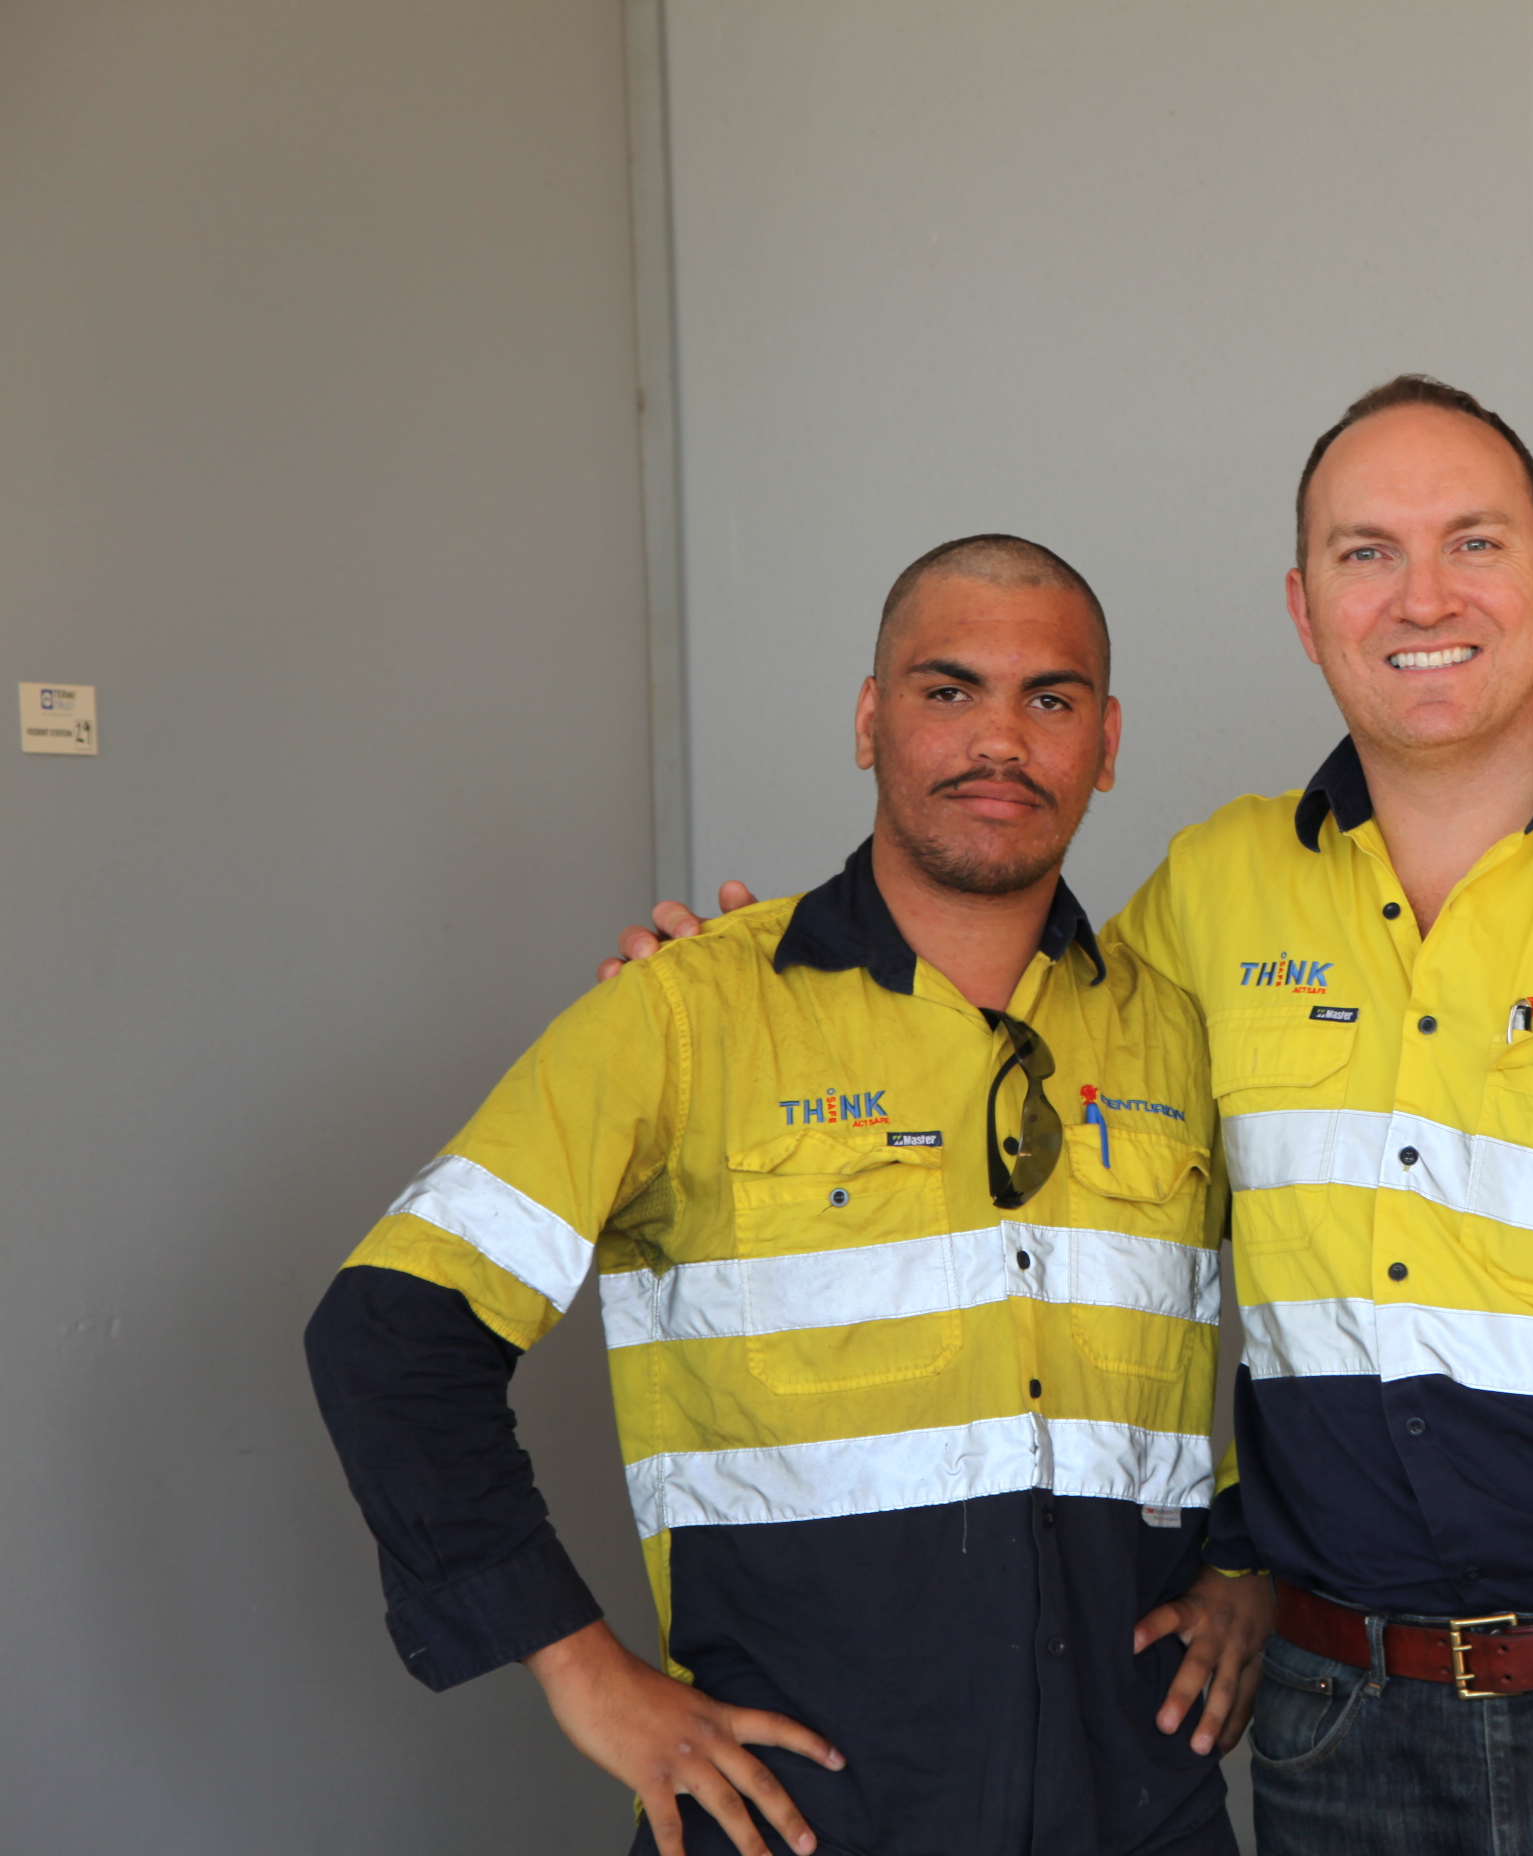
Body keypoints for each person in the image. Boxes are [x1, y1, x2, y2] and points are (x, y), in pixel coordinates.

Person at [626, 382, 1533, 1856]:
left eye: (1474, 542)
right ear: (1303, 604)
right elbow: (1006, 1117)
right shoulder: (1215, 893)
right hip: (1343, 1736)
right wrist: (760, 1002)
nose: (1423, 596)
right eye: (1364, 552)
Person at [306, 535, 1273, 1856]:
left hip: (1137, 1809)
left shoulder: (1181, 1035)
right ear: (870, 721)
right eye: (948, 690)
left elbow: (1327, 1307)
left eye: (1050, 699)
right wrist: (585, 1675)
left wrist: (1246, 1560)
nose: (1001, 738)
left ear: (1105, 743)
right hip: (799, 1818)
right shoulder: (688, 1012)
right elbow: (390, 1334)